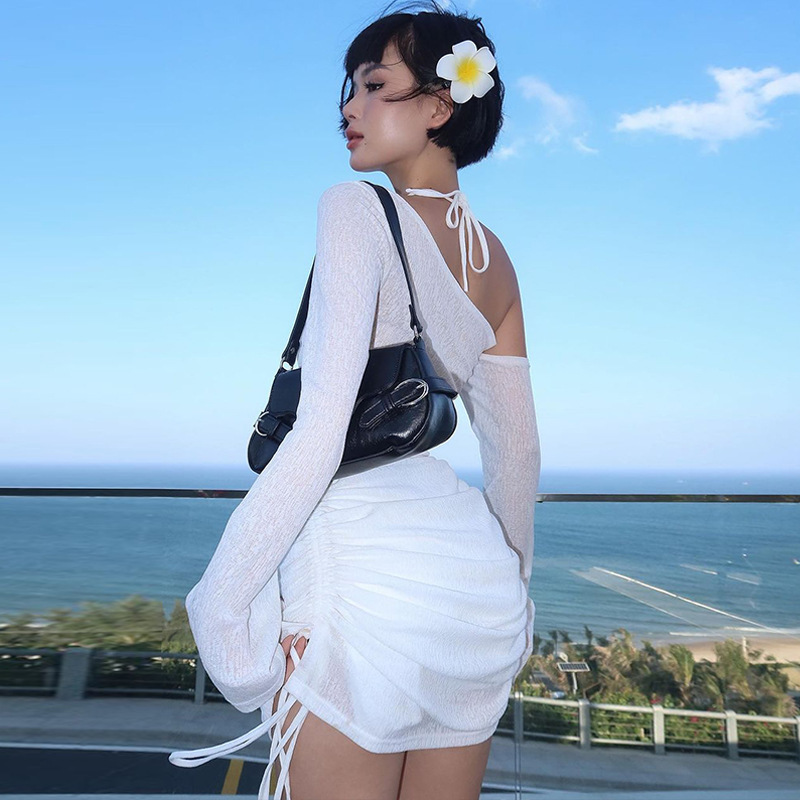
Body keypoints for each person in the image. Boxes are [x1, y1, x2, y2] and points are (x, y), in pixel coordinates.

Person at [168, 2, 541, 798]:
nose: (349, 107)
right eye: (351, 88)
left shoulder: (355, 209)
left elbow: (320, 430)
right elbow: (516, 455)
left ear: (438, 106)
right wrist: (514, 595)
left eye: (374, 85)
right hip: (474, 595)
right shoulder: (498, 262)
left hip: (360, 585)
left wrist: (222, 611)